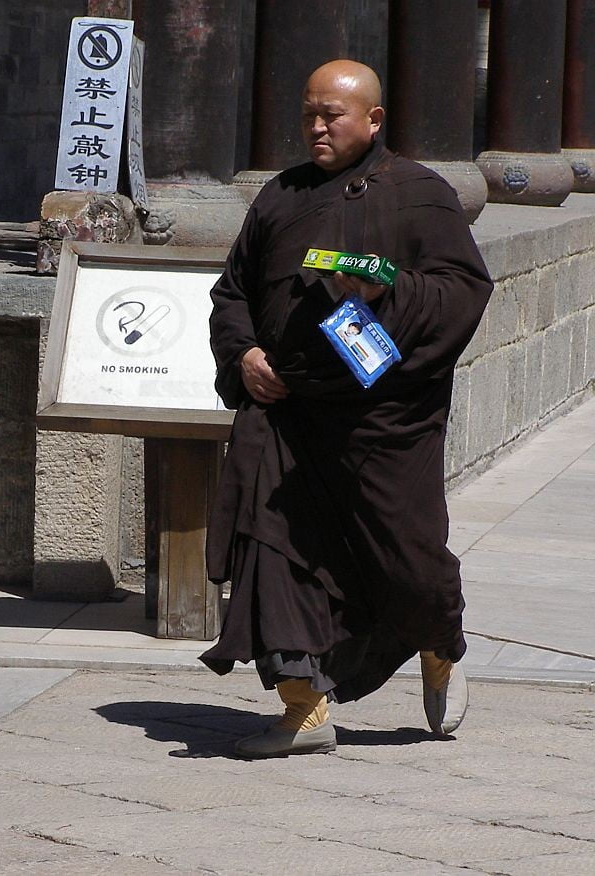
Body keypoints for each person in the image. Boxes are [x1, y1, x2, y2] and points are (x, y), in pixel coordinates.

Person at [200, 60, 492, 758]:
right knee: (275, 553)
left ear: (374, 120)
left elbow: (461, 292)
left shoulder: (420, 195)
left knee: (408, 562)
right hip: (287, 415)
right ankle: (303, 708)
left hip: (383, 422)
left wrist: (374, 295)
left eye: (332, 113)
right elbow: (231, 292)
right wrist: (243, 355)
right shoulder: (280, 196)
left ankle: (440, 639)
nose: (318, 126)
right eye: (308, 113)